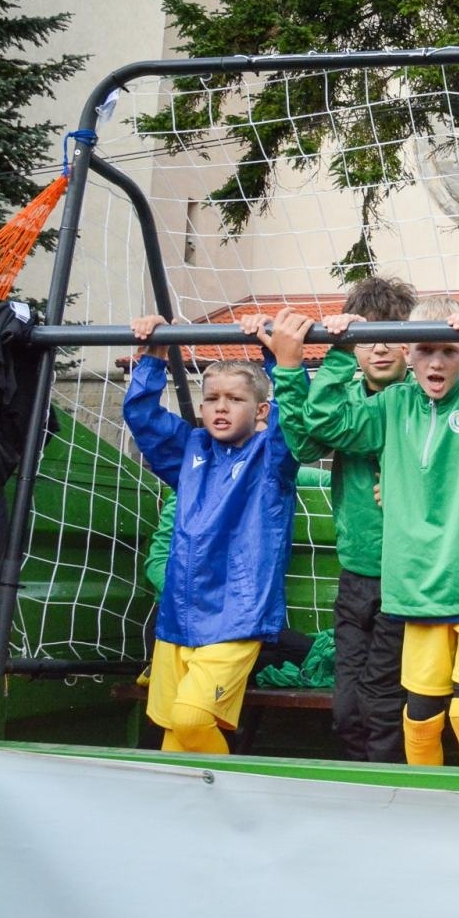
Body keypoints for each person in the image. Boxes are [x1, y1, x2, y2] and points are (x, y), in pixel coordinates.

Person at [274, 298, 459, 769]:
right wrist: (338, 351)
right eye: (426, 349)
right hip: (415, 592)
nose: (437, 361)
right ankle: (422, 804)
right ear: (407, 352)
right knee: (420, 717)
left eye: (450, 351)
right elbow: (325, 422)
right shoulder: (391, 407)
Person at [123, 313, 305, 753]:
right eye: (212, 399)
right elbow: (143, 417)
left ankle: (234, 806)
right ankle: (184, 818)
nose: (220, 407)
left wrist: (279, 357)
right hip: (179, 616)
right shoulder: (190, 451)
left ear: (261, 410)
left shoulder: (273, 459)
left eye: (235, 399)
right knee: (174, 736)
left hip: (236, 617)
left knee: (192, 718)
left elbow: (297, 416)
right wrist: (153, 358)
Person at [269, 276, 415, 763]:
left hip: (410, 576)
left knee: (384, 701)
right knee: (347, 706)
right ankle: (360, 786)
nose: (377, 349)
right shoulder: (342, 397)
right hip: (357, 573)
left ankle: (393, 792)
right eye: (363, 339)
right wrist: (297, 368)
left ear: (410, 344)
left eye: (390, 337)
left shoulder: (424, 398)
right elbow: (307, 443)